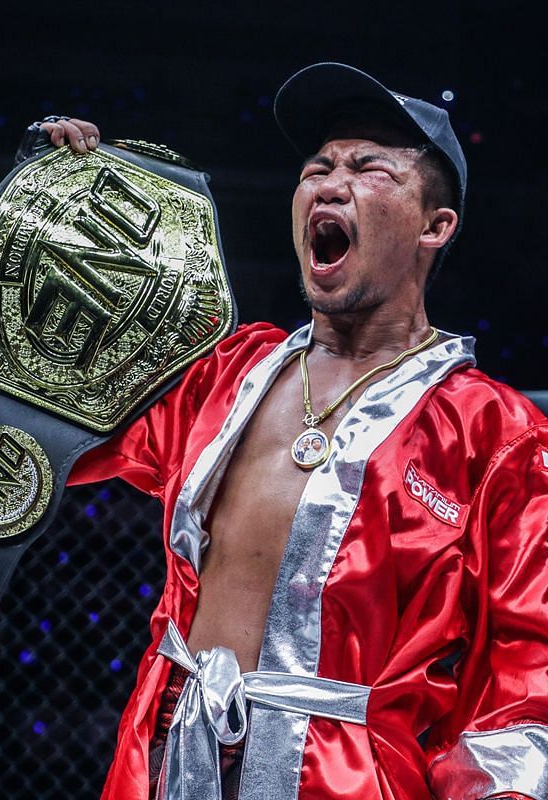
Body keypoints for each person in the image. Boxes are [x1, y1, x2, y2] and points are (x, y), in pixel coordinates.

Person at [45, 64, 548, 798]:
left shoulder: (494, 432)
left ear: (436, 226)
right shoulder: (222, 374)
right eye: (318, 167)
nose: (330, 182)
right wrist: (52, 203)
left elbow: (527, 668)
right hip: (167, 763)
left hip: (346, 780)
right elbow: (56, 396)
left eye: (369, 168)